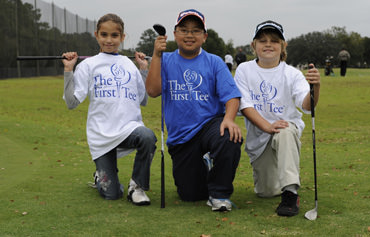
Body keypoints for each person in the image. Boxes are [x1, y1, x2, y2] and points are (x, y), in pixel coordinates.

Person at [146, 9, 243, 212]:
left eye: (196, 31)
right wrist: (156, 55)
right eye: (184, 30)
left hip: (209, 125)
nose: (189, 35)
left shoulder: (214, 62)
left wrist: (229, 119)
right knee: (191, 195)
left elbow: (232, 96)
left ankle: (219, 195)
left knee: (229, 136)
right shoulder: (165, 60)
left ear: (204, 36)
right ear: (174, 34)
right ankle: (206, 167)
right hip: (182, 137)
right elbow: (153, 91)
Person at [61, 13, 157, 205]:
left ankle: (137, 187)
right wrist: (69, 70)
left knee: (147, 136)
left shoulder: (129, 65)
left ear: (122, 37)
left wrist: (143, 69)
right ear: (96, 35)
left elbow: (144, 99)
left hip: (128, 129)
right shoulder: (88, 65)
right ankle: (100, 177)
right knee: (112, 194)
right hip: (101, 135)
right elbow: (72, 103)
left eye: (114, 35)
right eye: (104, 35)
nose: (109, 40)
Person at [234, 20, 321, 217]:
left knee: (285, 130)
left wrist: (315, 87)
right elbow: (245, 105)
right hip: (259, 137)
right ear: (253, 45)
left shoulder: (292, 74)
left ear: (283, 45)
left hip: (284, 131)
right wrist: (266, 126)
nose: (268, 44)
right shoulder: (244, 70)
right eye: (262, 40)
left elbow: (306, 105)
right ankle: (279, 184)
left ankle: (290, 192)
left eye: (274, 40)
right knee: (266, 192)